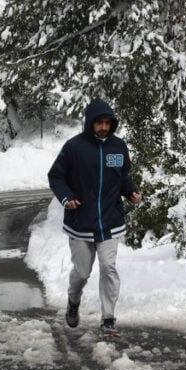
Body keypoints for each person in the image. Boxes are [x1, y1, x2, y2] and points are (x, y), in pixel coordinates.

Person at [47, 99, 142, 336]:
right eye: (99, 123)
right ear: (90, 123)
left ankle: (108, 318)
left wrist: (130, 190)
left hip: (110, 220)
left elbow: (122, 176)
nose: (103, 127)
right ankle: (73, 301)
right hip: (81, 222)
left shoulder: (118, 146)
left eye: (107, 123)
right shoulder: (74, 148)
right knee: (81, 272)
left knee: (108, 267)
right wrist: (66, 197)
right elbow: (55, 177)